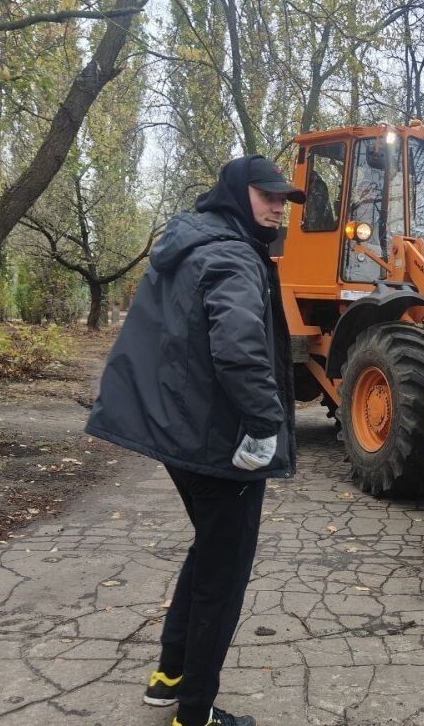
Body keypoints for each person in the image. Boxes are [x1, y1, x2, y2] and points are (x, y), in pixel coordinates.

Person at [85, 155, 305, 726]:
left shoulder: (193, 241)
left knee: (210, 549)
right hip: (218, 444)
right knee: (223, 576)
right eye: (267, 197)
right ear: (238, 194)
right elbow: (238, 348)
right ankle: (194, 713)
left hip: (184, 431)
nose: (278, 207)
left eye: (283, 199)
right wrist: (264, 424)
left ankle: (169, 676)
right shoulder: (232, 253)